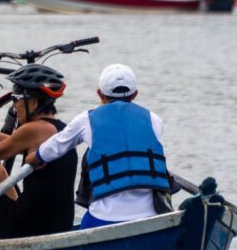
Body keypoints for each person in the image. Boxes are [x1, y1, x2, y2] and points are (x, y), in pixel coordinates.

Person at [25, 64, 172, 229]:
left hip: (104, 218)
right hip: (151, 216)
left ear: (100, 94)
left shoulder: (86, 119)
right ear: (135, 94)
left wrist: (36, 157)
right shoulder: (154, 120)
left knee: (90, 155)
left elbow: (57, 144)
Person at [0, 64, 78, 240]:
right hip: (59, 224)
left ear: (33, 102)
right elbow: (14, 143)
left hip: (27, 227)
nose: (14, 105)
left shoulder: (33, 129)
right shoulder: (61, 129)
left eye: (16, 98)